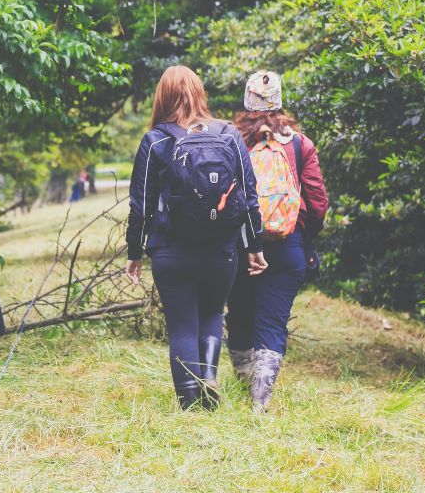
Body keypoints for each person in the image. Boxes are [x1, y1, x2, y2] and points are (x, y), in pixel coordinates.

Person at [125, 65, 269, 410]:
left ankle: (191, 404)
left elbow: (140, 205)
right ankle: (208, 377)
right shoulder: (228, 134)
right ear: (199, 92)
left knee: (181, 326)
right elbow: (249, 196)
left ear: (162, 97)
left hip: (171, 250)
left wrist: (134, 251)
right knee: (211, 314)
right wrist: (255, 246)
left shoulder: (155, 140)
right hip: (221, 250)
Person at [225, 70, 328, 412]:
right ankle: (260, 401)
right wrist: (303, 236)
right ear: (280, 100)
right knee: (272, 322)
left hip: (240, 245)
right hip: (287, 246)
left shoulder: (232, 140)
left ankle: (243, 384)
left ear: (246, 100)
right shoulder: (299, 144)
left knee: (239, 314)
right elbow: (317, 202)